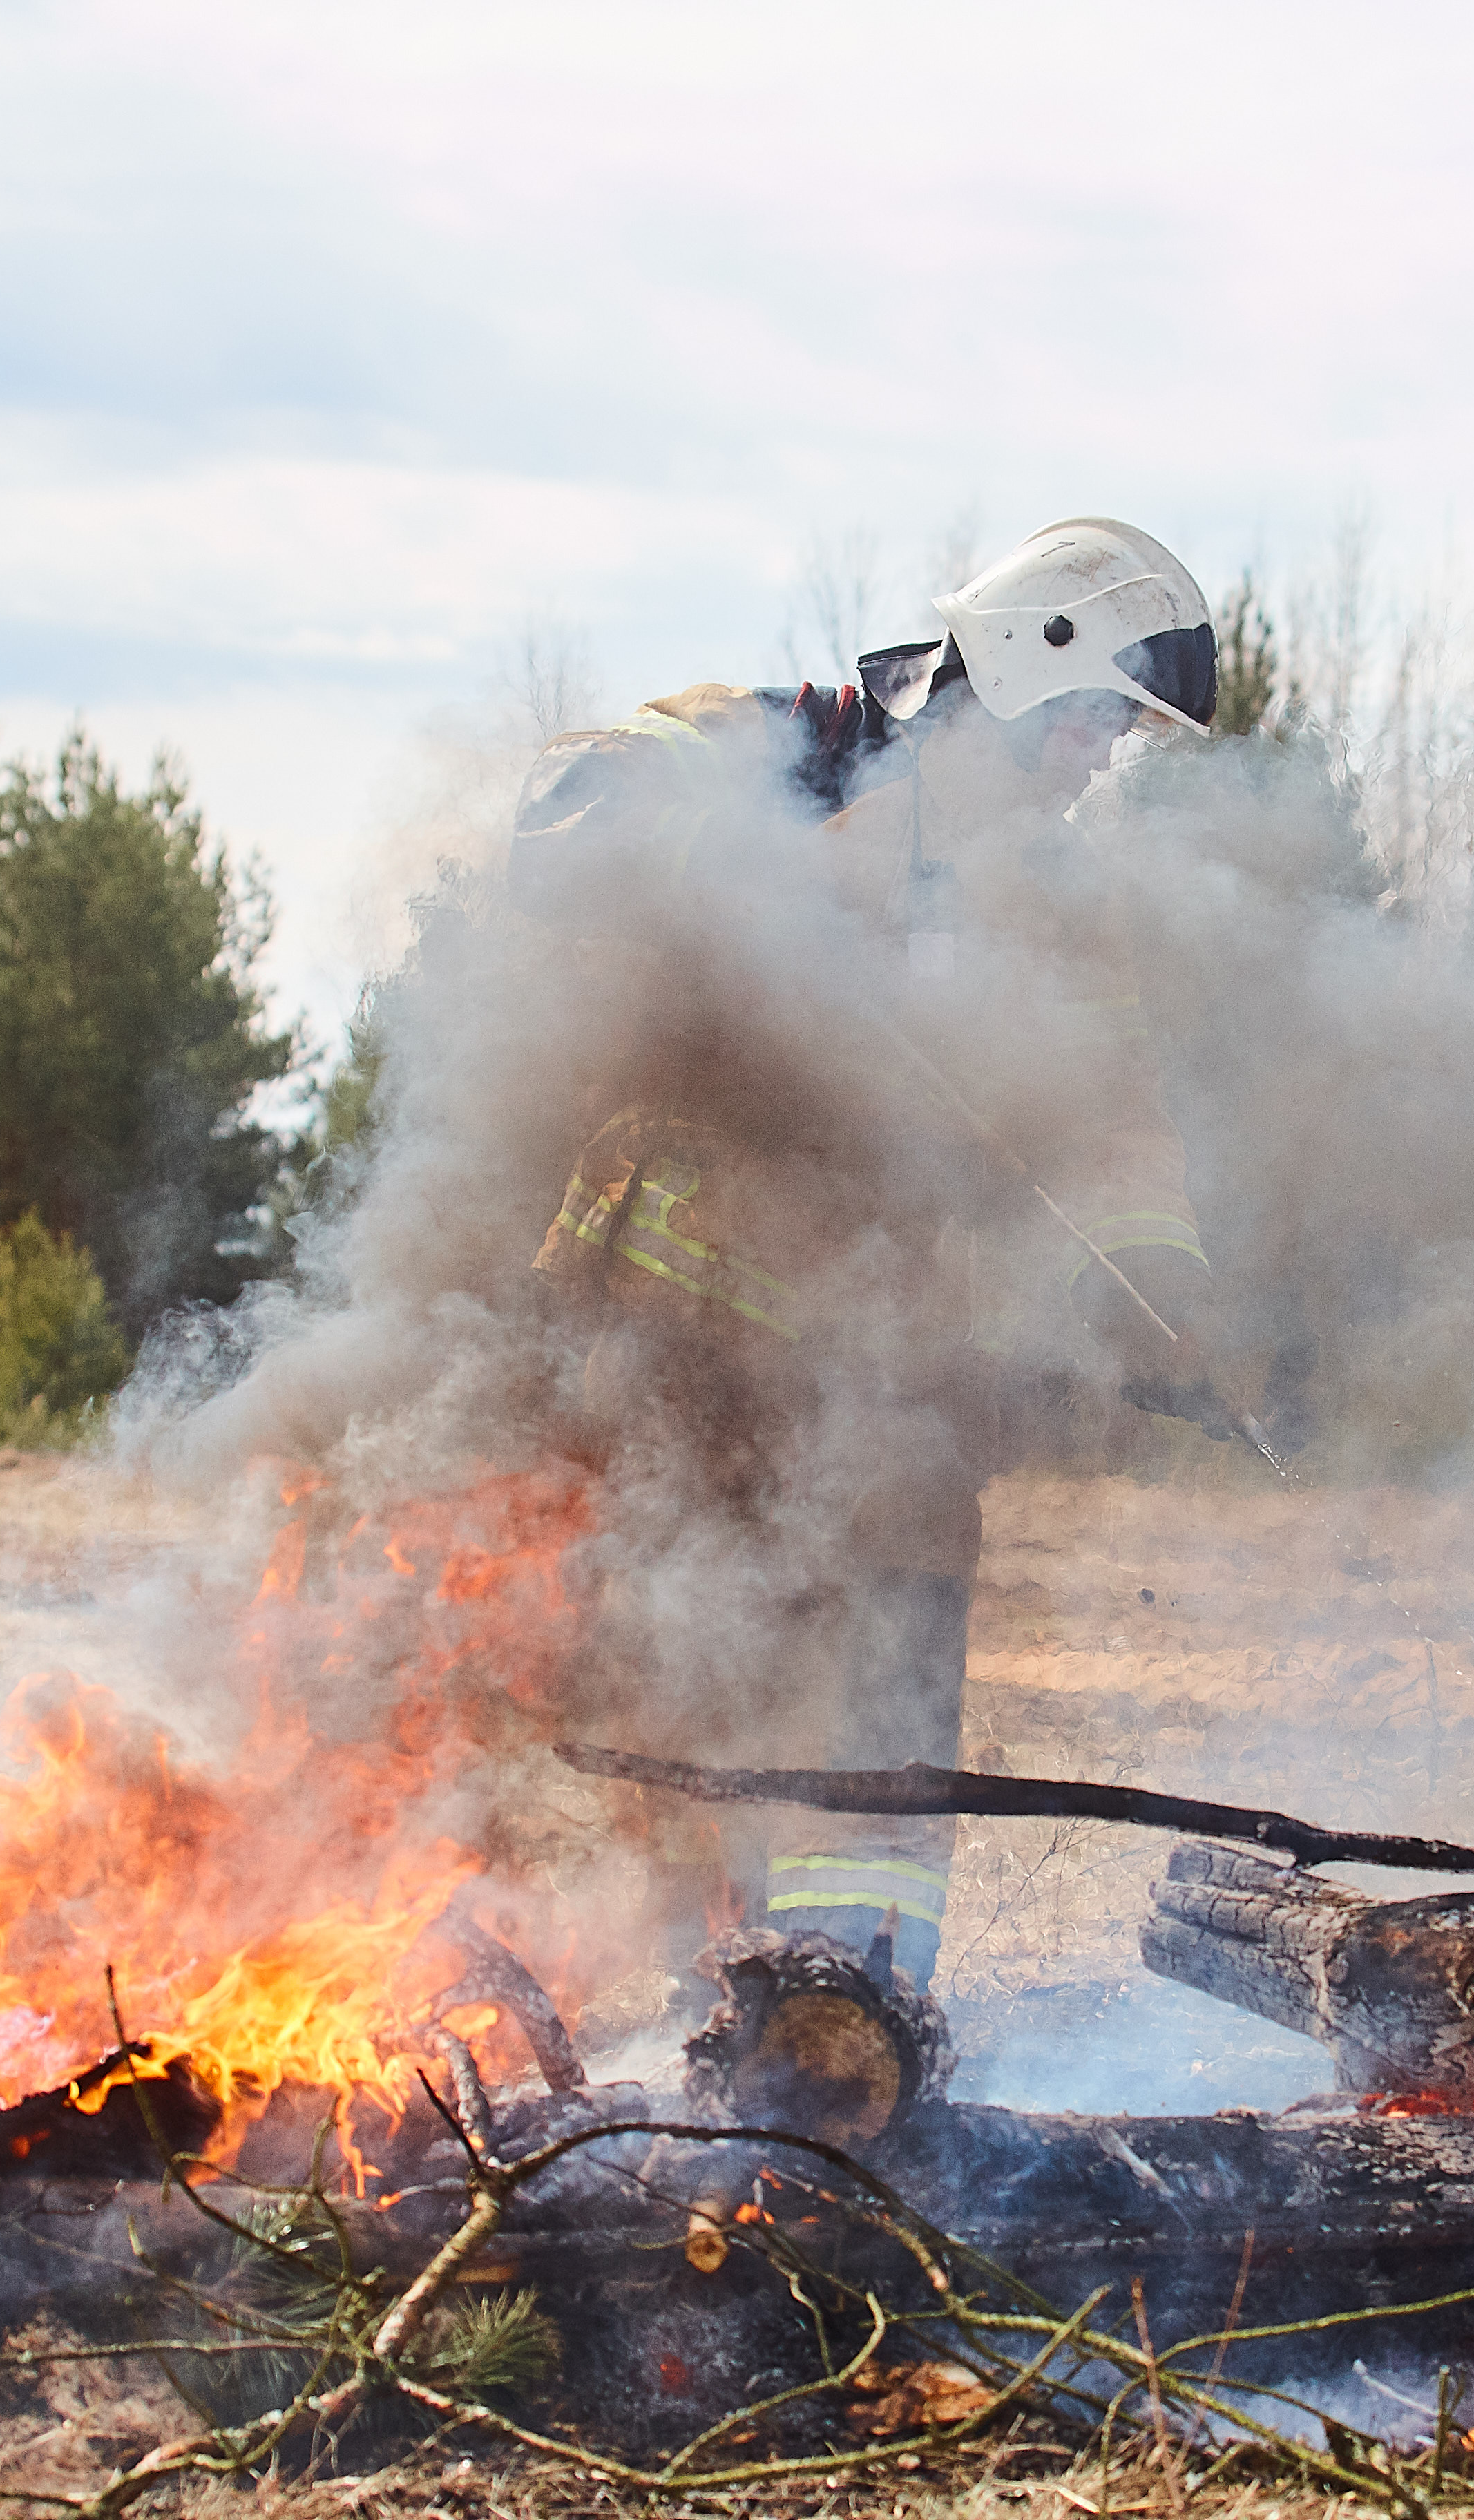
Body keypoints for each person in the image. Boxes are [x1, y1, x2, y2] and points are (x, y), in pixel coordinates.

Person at [512, 519, 1256, 1992]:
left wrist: (1166, 1296)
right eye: (1104, 717)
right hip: (667, 1345)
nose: (1104, 758)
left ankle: (862, 1998)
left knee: (899, 1647)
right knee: (685, 1667)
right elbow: (567, 810)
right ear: (1032, 658)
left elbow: (1111, 1117)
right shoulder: (797, 746)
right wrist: (710, 849)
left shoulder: (1056, 903)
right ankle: (695, 1998)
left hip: (892, 1370)